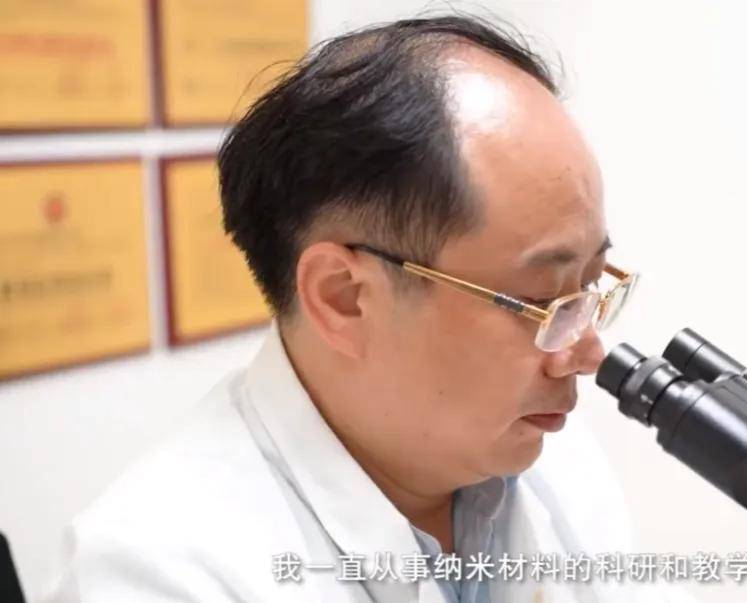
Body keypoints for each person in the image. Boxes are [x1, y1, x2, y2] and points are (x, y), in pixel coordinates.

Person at [46, 14, 686, 603]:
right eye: (540, 300)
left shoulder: (552, 462)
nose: (587, 352)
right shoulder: (155, 573)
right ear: (343, 297)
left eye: (593, 285)